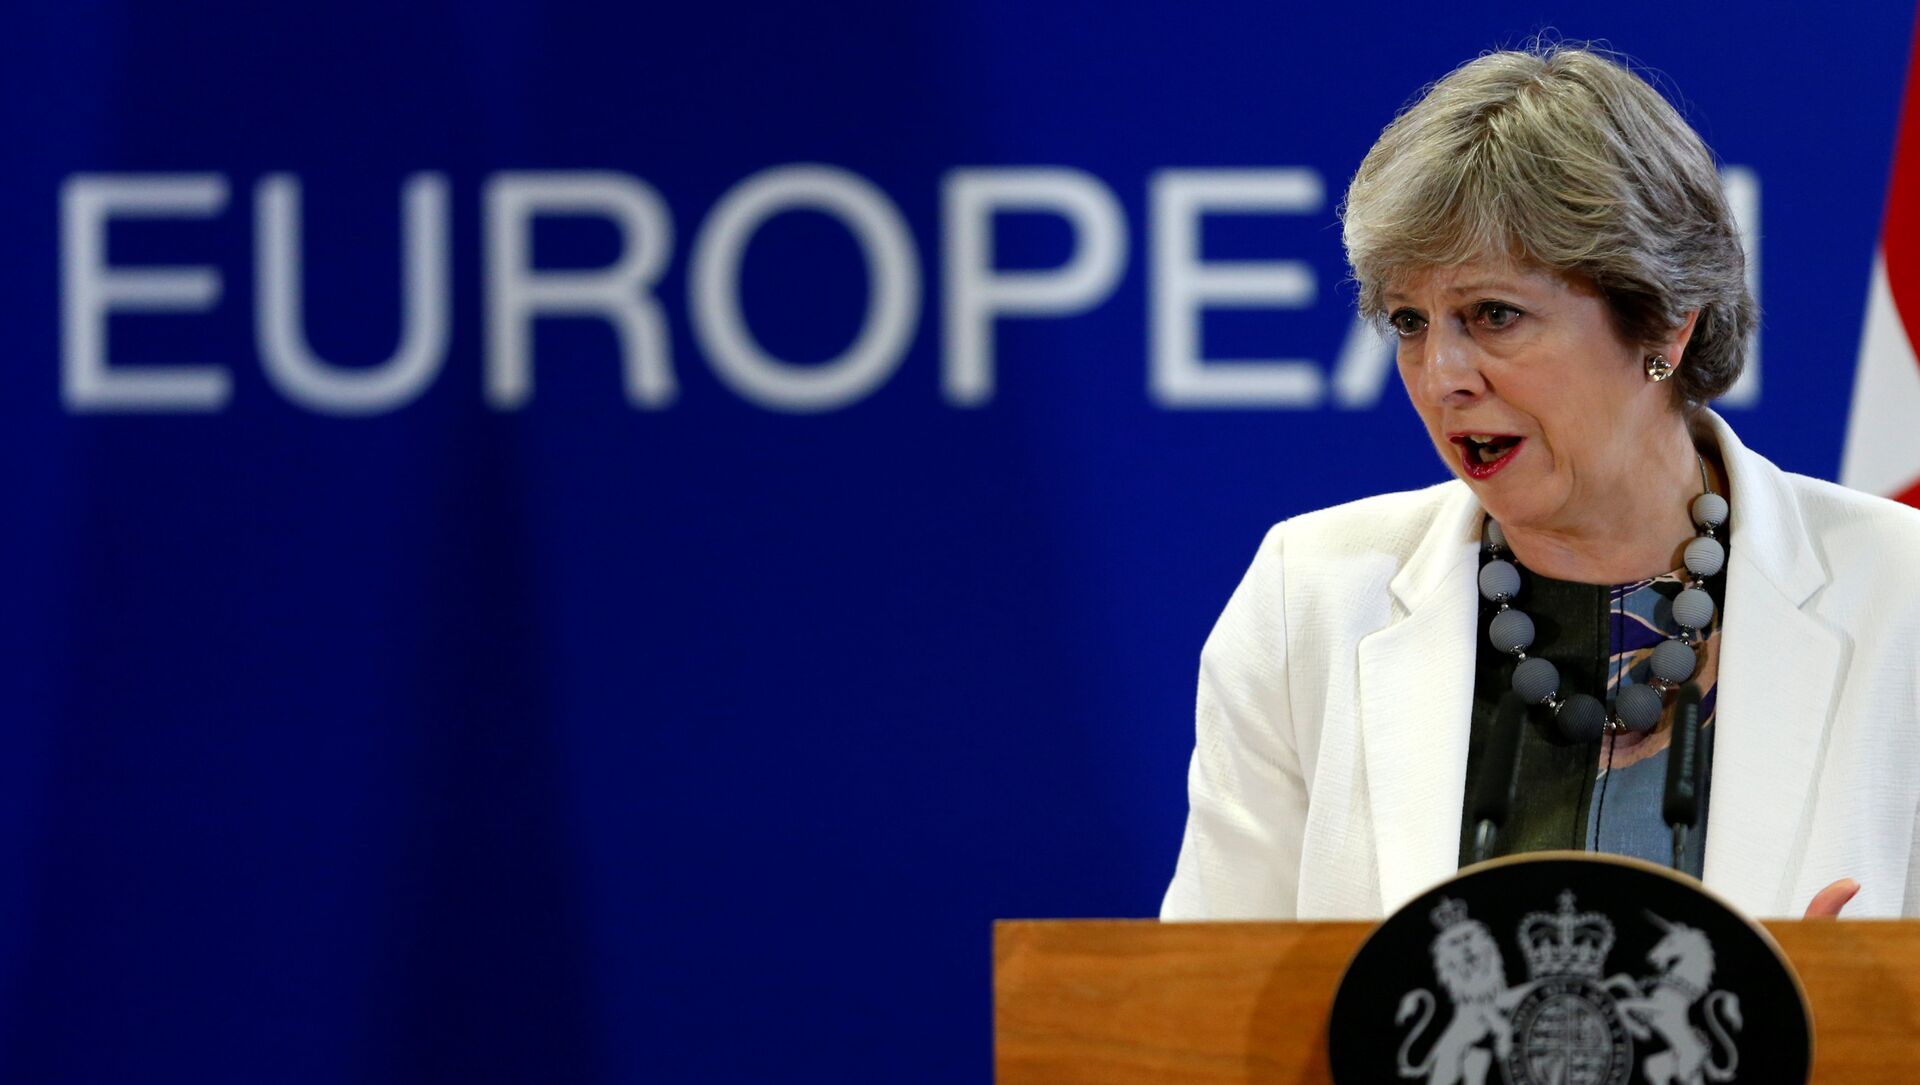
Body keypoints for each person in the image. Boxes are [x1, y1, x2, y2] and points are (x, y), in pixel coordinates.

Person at [1160, 44, 1920, 922]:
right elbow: (1210, 987)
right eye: (1410, 321)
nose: (1441, 375)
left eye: (1493, 314)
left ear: (1665, 323)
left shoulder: (1900, 593)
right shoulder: (1310, 598)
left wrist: (1856, 1000)